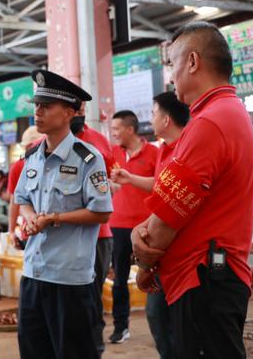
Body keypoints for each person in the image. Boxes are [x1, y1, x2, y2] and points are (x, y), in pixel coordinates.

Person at [131, 22, 253, 359]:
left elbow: (171, 214)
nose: (170, 77)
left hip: (203, 279)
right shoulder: (228, 113)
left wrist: (144, 259)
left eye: (172, 64)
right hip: (215, 276)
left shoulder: (210, 123)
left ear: (193, 62)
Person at [14, 69, 113, 359]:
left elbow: (101, 212)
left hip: (69, 278)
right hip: (34, 272)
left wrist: (54, 219)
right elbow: (21, 199)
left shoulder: (89, 159)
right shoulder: (31, 156)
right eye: (36, 105)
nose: (38, 112)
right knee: (34, 351)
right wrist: (31, 215)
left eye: (47, 106)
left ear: (70, 111)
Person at [111, 91, 189, 359]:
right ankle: (122, 328)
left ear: (166, 119)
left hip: (172, 248)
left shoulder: (180, 152)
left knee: (179, 320)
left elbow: (171, 205)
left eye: (154, 112)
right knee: (156, 314)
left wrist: (145, 261)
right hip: (142, 236)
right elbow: (162, 194)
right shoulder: (165, 151)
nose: (151, 117)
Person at [105, 110, 158, 344]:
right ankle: (120, 326)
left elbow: (161, 187)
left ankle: (163, 322)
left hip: (148, 228)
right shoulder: (112, 154)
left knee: (158, 277)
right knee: (119, 280)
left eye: (116, 129)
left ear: (130, 129)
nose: (113, 133)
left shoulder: (155, 153)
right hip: (117, 226)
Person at [70, 101, 116, 354]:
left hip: (98, 235)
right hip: (63, 235)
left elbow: (107, 188)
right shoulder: (42, 146)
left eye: (80, 110)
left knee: (92, 295)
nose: (78, 115)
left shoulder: (99, 142)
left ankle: (94, 346)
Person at [7, 126, 44, 249]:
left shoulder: (18, 165)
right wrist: (11, 231)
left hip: (32, 230)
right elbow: (15, 201)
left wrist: (11, 231)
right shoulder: (19, 166)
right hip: (31, 230)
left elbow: (14, 202)